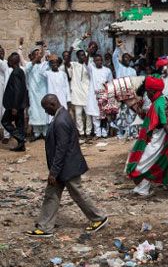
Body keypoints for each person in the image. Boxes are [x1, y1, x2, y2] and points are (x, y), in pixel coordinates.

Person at [25, 94, 107, 237]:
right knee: (51, 195)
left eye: (46, 108)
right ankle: (45, 227)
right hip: (64, 166)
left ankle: (99, 218)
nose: (46, 112)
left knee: (78, 193)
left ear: (52, 104)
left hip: (67, 167)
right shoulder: (63, 115)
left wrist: (53, 172)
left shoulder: (61, 120)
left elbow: (61, 150)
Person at [126, 76, 168, 197]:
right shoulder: (165, 99)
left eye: (148, 92)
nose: (147, 95)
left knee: (141, 162)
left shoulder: (158, 103)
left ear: (151, 91)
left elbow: (163, 123)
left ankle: (143, 188)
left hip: (161, 139)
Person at [111, 40, 138, 139]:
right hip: (120, 95)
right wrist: (118, 48)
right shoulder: (119, 67)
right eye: (125, 58)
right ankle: (120, 133)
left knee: (131, 114)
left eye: (128, 58)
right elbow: (114, 57)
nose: (127, 59)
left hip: (130, 95)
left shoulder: (133, 71)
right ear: (122, 59)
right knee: (120, 115)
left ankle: (132, 133)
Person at [23, 44, 50, 140]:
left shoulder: (44, 64)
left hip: (44, 92)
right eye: (36, 53)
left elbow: (49, 62)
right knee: (34, 112)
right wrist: (35, 60)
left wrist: (46, 49)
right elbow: (26, 70)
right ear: (33, 56)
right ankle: (37, 133)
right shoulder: (29, 64)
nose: (38, 55)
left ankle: (45, 132)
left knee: (44, 111)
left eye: (39, 53)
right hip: (33, 93)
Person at [2, 51, 28, 151]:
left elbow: (17, 91)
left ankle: (21, 138)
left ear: (13, 61)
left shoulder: (16, 72)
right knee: (19, 124)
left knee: (5, 121)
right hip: (20, 105)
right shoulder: (19, 71)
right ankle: (21, 146)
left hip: (14, 105)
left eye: (9, 59)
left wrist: (14, 107)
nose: (8, 61)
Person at [86, 54, 113, 138]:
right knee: (95, 116)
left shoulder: (107, 70)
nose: (99, 62)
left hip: (104, 95)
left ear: (102, 60)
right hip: (94, 96)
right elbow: (86, 62)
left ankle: (104, 133)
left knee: (104, 115)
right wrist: (88, 52)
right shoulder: (92, 69)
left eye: (100, 60)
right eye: (97, 60)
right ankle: (97, 133)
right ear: (94, 61)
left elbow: (110, 82)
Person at [68, 43, 91, 138]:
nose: (83, 57)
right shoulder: (74, 65)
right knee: (78, 115)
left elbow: (88, 64)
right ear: (77, 56)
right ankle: (81, 132)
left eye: (84, 55)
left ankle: (89, 132)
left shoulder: (89, 66)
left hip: (87, 94)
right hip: (77, 94)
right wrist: (70, 49)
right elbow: (67, 60)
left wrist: (88, 54)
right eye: (81, 55)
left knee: (88, 115)